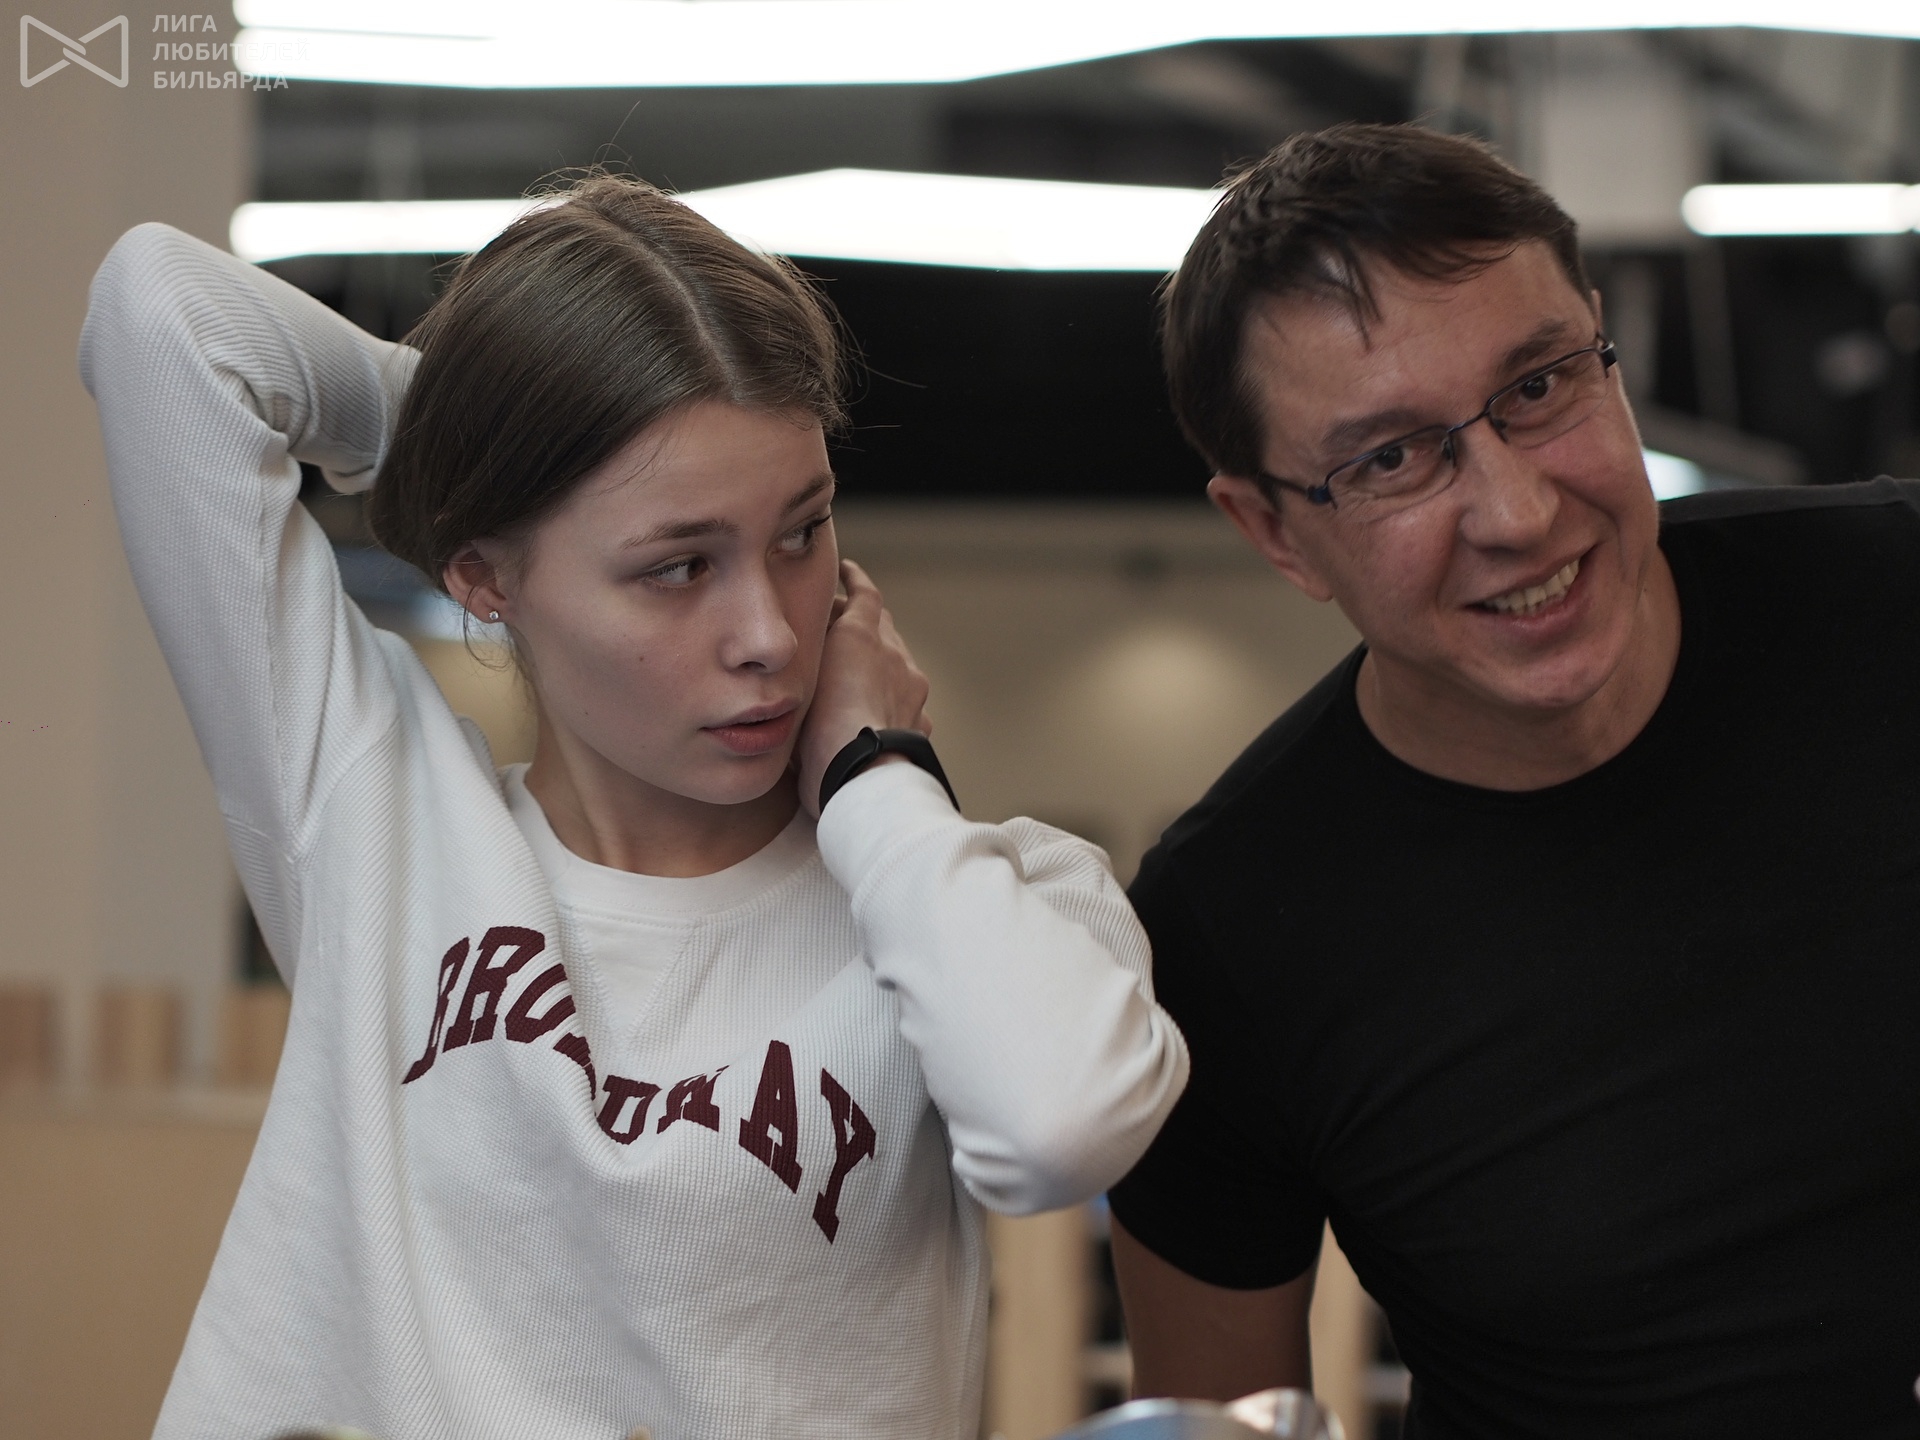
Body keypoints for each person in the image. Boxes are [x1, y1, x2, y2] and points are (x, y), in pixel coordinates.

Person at [79, 175, 1189, 1440]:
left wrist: (878, 778)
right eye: (678, 566)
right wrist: (490, 436)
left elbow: (1060, 1132)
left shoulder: (986, 894)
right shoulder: (376, 819)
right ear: (482, 575)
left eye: (802, 532)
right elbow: (162, 313)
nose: (769, 633)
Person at [1106, 123, 1920, 1439]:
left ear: (1604, 345)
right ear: (1271, 530)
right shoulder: (1228, 934)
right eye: (1388, 459)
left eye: (1540, 386)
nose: (1519, 513)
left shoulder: (1895, 597)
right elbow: (1216, 1420)